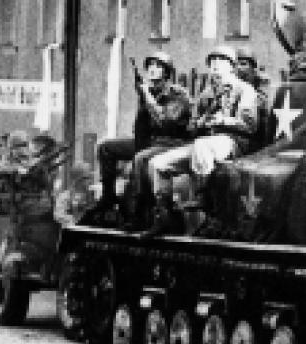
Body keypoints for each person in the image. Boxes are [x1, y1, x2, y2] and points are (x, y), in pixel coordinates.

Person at [143, 45, 261, 236]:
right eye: (212, 63)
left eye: (220, 62)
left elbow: (250, 125)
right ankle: (165, 216)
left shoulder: (244, 90)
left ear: (231, 66)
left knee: (201, 146)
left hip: (234, 142)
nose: (214, 66)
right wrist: (199, 123)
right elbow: (191, 127)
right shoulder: (207, 94)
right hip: (206, 144)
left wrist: (223, 120)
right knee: (157, 164)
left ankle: (206, 200)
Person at [90, 51, 192, 217]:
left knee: (141, 159)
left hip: (169, 143)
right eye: (150, 65)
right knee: (105, 148)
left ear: (166, 72)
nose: (152, 69)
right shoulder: (148, 92)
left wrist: (146, 96)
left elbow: (165, 122)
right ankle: (108, 197)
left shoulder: (178, 94)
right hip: (147, 141)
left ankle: (141, 208)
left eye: (158, 66)